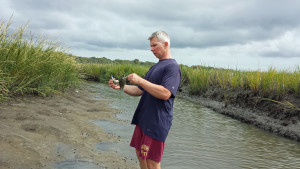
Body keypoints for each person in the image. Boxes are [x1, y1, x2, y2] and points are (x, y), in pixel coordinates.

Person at [108, 31, 181, 169]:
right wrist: (120, 86)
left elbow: (166, 93)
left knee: (152, 161)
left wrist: (140, 80)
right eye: (150, 46)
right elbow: (140, 90)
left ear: (166, 44)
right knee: (140, 154)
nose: (151, 49)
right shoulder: (156, 66)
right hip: (143, 119)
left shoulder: (172, 67)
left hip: (157, 122)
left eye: (154, 45)